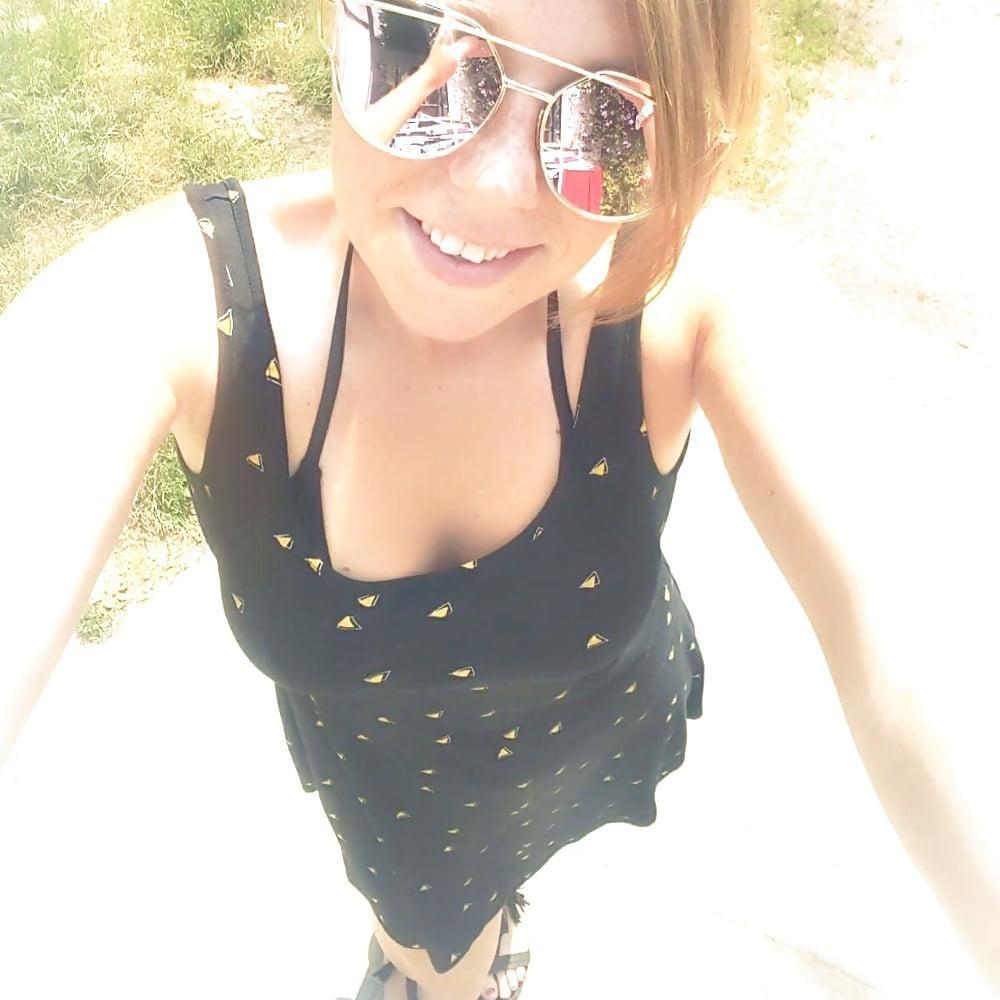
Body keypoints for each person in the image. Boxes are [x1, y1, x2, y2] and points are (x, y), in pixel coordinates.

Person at [5, 1, 998, 999]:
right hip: (387, 784)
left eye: (612, 119)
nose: (491, 188)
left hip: (585, 725)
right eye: (418, 50)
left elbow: (921, 661)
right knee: (433, 947)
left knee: (475, 910)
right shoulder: (179, 305)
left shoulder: (693, 292)